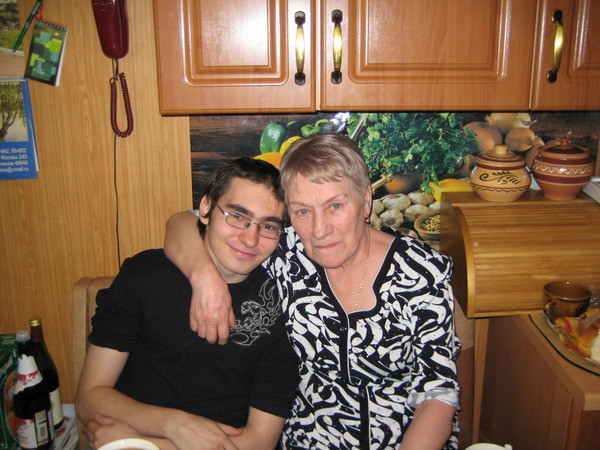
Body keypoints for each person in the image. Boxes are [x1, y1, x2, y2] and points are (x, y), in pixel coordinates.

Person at [164, 133, 461, 450]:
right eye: (303, 211)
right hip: (306, 440)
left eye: (335, 206)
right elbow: (184, 222)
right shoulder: (285, 252)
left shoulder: (421, 271)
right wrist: (205, 278)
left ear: (366, 200)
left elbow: (437, 394)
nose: (319, 230)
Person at [75, 157, 299, 450]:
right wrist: (172, 424)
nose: (250, 238)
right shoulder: (144, 276)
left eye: (268, 226)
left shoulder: (280, 307)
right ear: (205, 209)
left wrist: (146, 444)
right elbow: (89, 397)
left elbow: (259, 443)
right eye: (237, 216)